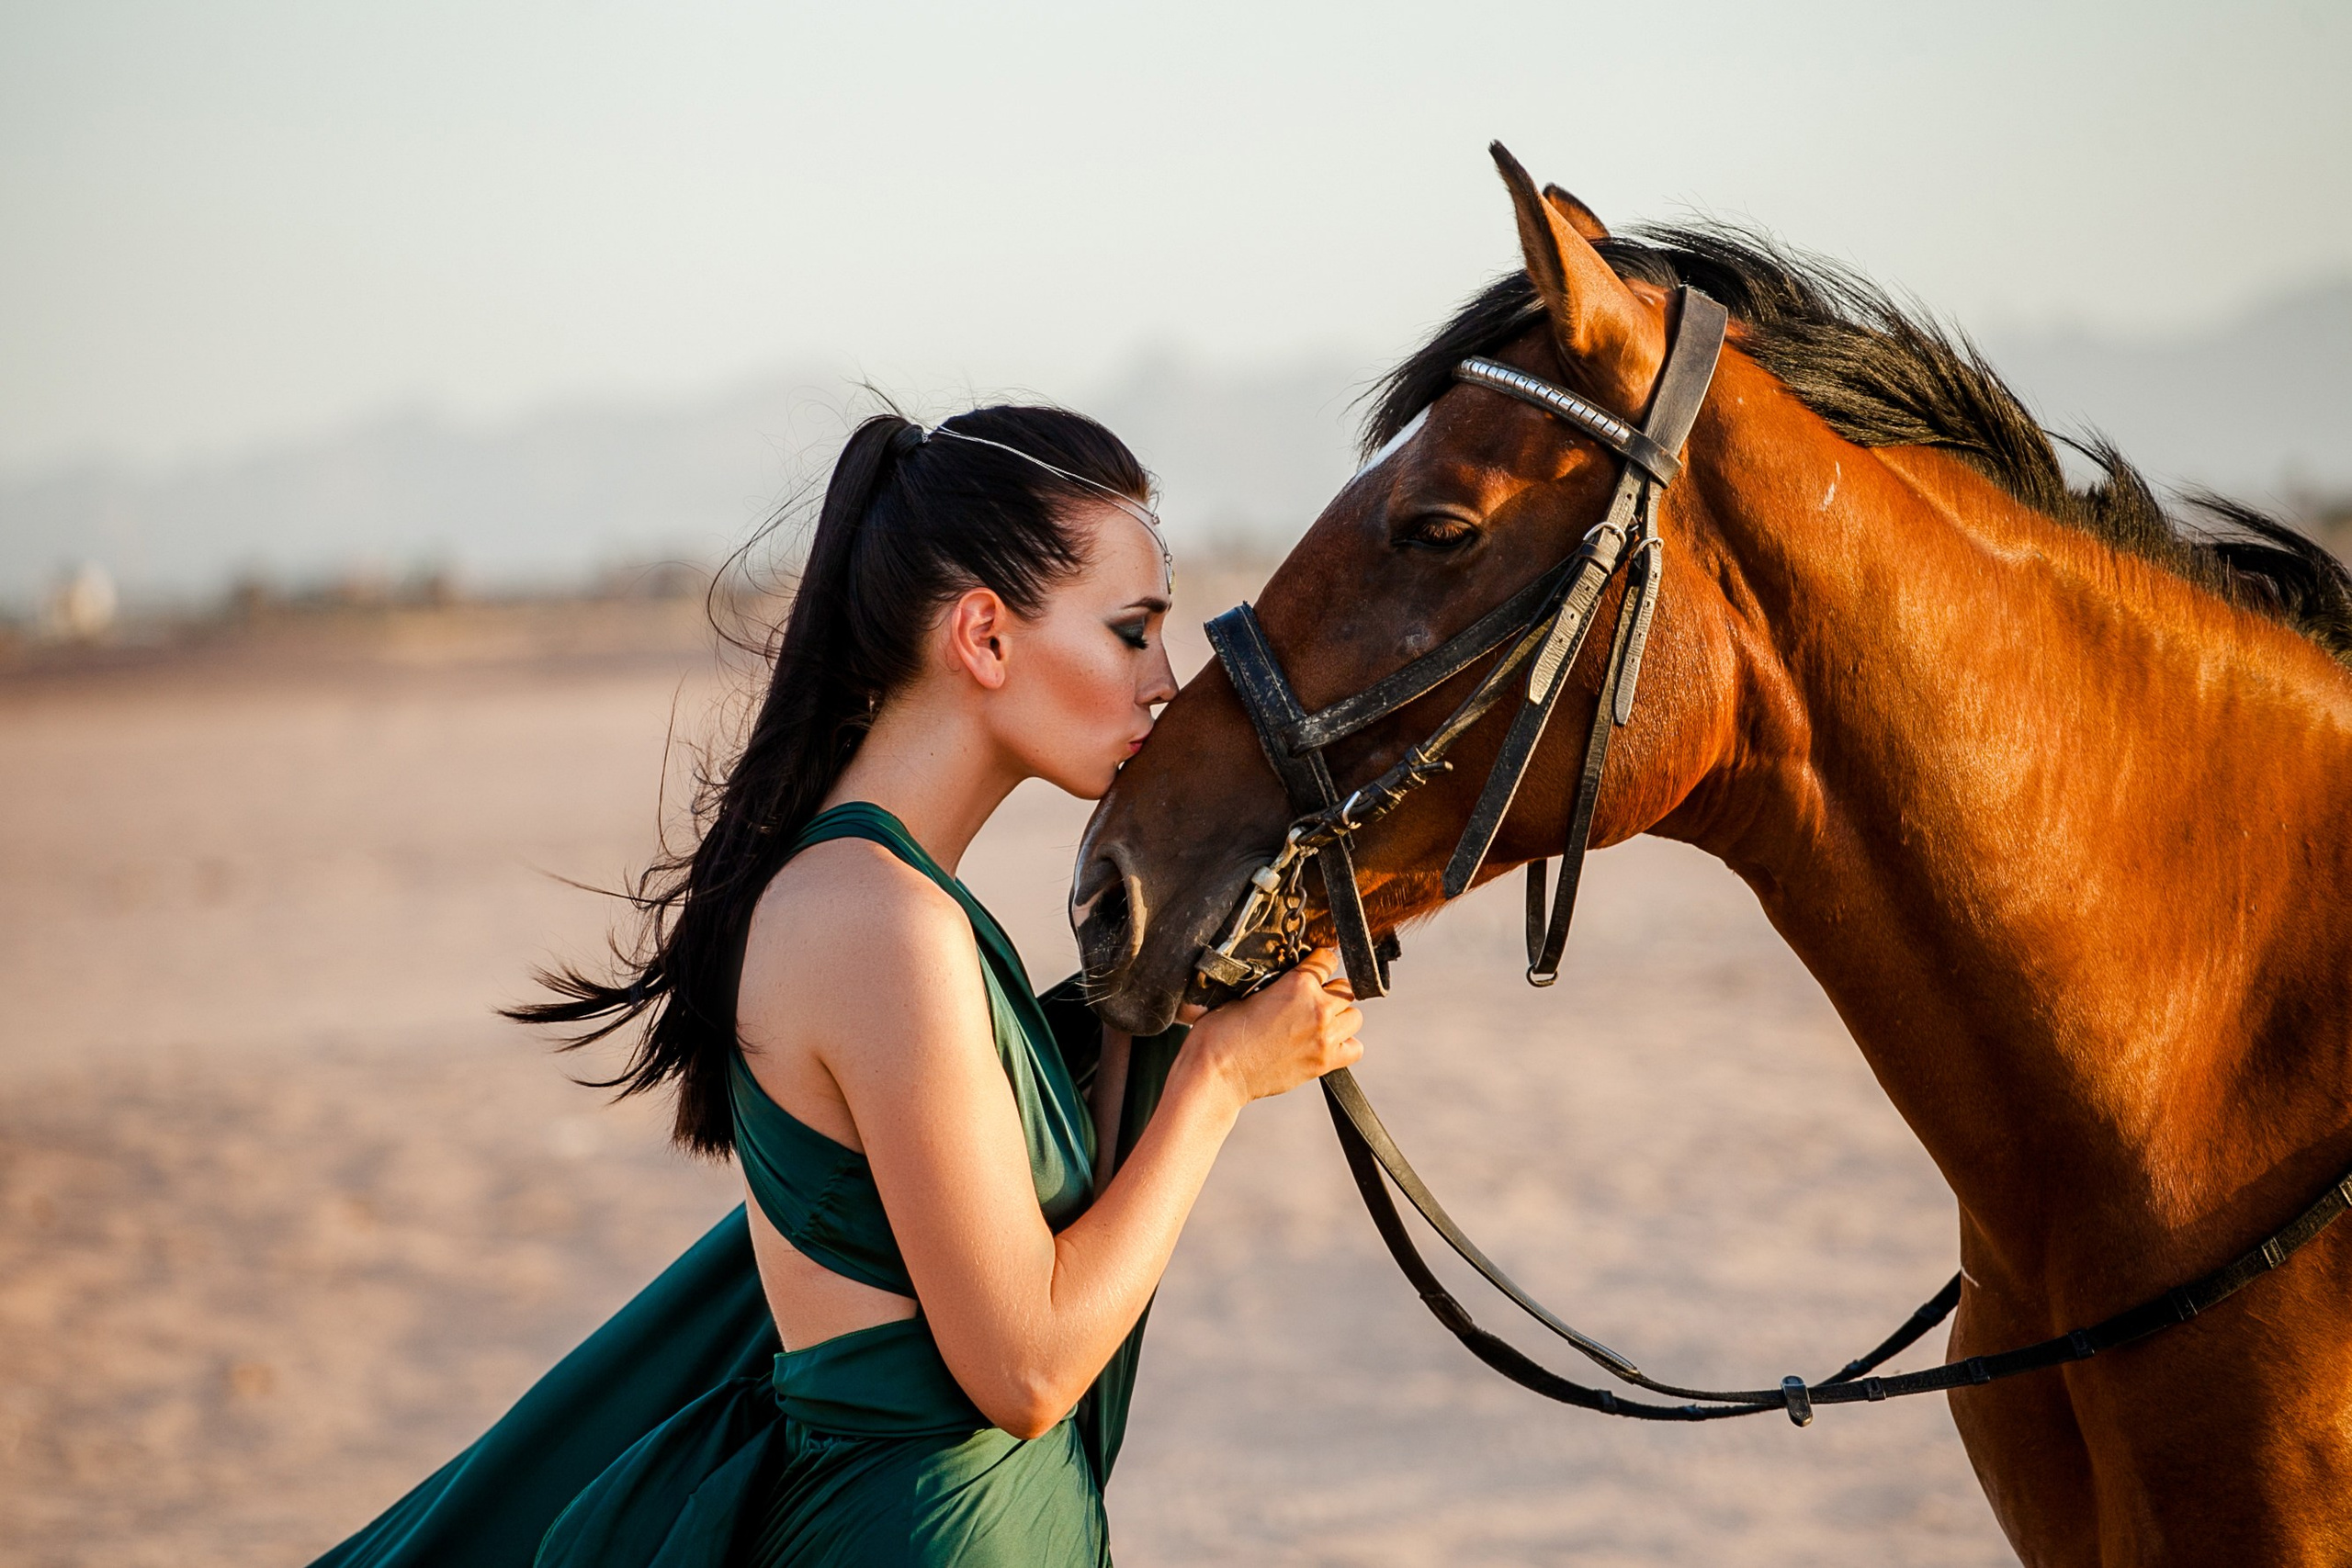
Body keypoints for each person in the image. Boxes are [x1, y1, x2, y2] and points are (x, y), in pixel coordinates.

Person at [310, 405, 1363, 1568]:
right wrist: (1218, 1082)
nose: (1165, 683)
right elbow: (1025, 1368)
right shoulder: (880, 923)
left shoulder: (895, 906)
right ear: (984, 636)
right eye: (1131, 632)